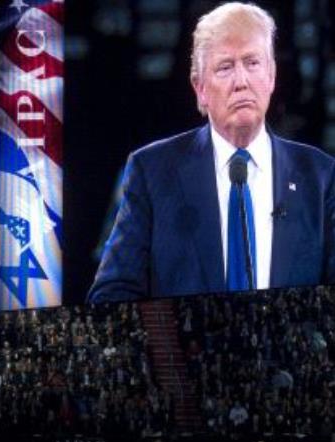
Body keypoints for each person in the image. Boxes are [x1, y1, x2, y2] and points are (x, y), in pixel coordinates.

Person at [89, 2, 335, 303]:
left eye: (253, 63)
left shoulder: (321, 175)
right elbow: (112, 294)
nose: (241, 82)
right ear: (200, 88)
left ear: (271, 76)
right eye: (225, 67)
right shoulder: (151, 171)